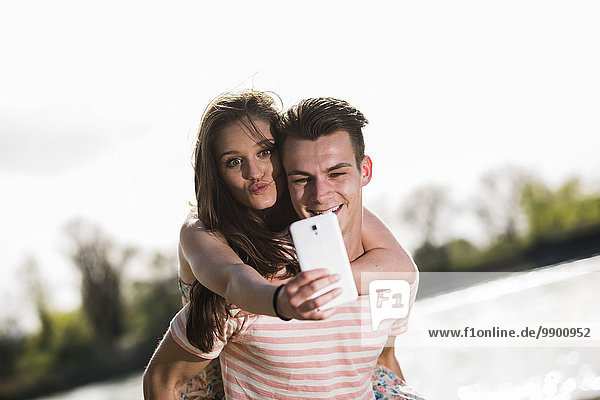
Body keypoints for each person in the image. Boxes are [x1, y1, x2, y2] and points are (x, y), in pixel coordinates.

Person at [143, 93, 421, 399]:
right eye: (234, 161)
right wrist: (280, 300)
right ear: (217, 174)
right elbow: (232, 279)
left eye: (265, 152)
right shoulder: (203, 231)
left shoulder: (321, 204)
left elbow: (401, 268)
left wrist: (323, 285)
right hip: (213, 362)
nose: (255, 171)